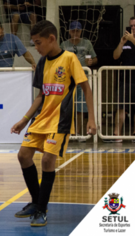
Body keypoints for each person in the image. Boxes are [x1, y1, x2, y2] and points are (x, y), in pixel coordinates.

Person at [10, 20, 96, 226]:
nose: (36, 47)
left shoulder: (69, 58)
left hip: (60, 120)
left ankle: (41, 209)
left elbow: (86, 88)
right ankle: (36, 202)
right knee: (23, 155)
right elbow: (41, 95)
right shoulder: (42, 62)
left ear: (51, 39)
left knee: (48, 161)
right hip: (41, 119)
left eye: (38, 43)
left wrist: (91, 118)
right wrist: (24, 119)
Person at [60, 21, 98, 142]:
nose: (75, 33)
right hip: (68, 80)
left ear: (81, 31)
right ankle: (69, 132)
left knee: (81, 108)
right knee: (68, 107)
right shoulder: (64, 44)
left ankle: (79, 132)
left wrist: (92, 62)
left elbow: (95, 58)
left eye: (77, 31)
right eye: (73, 31)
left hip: (83, 78)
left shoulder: (87, 43)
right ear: (69, 32)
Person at [108, 16, 135, 143]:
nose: (133, 28)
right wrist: (121, 43)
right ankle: (117, 133)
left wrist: (133, 40)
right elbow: (115, 56)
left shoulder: (132, 40)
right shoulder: (126, 41)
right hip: (125, 79)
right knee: (121, 106)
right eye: (131, 26)